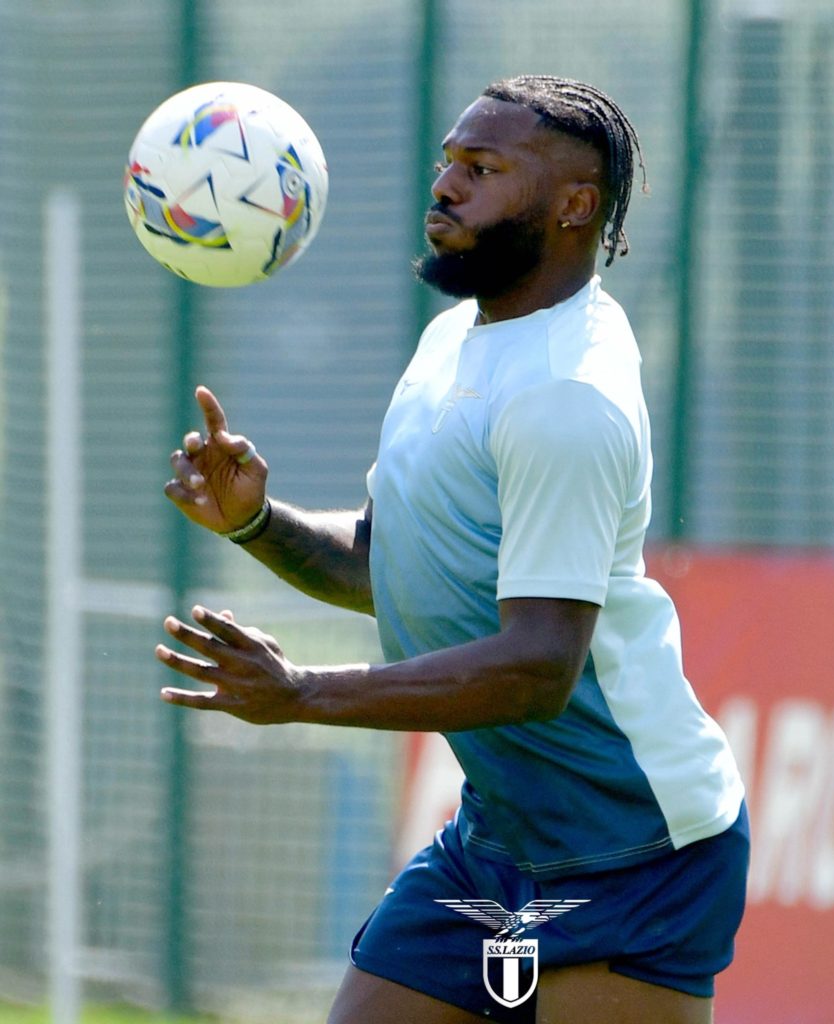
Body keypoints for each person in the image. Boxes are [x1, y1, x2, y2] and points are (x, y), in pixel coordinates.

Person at [157, 75, 748, 1024]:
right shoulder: (450, 344)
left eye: (481, 168)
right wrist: (257, 525)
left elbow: (536, 668)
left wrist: (301, 693)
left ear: (575, 205)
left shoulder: (569, 393)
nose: (445, 186)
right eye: (446, 161)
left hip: (634, 848)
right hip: (498, 838)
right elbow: (386, 568)